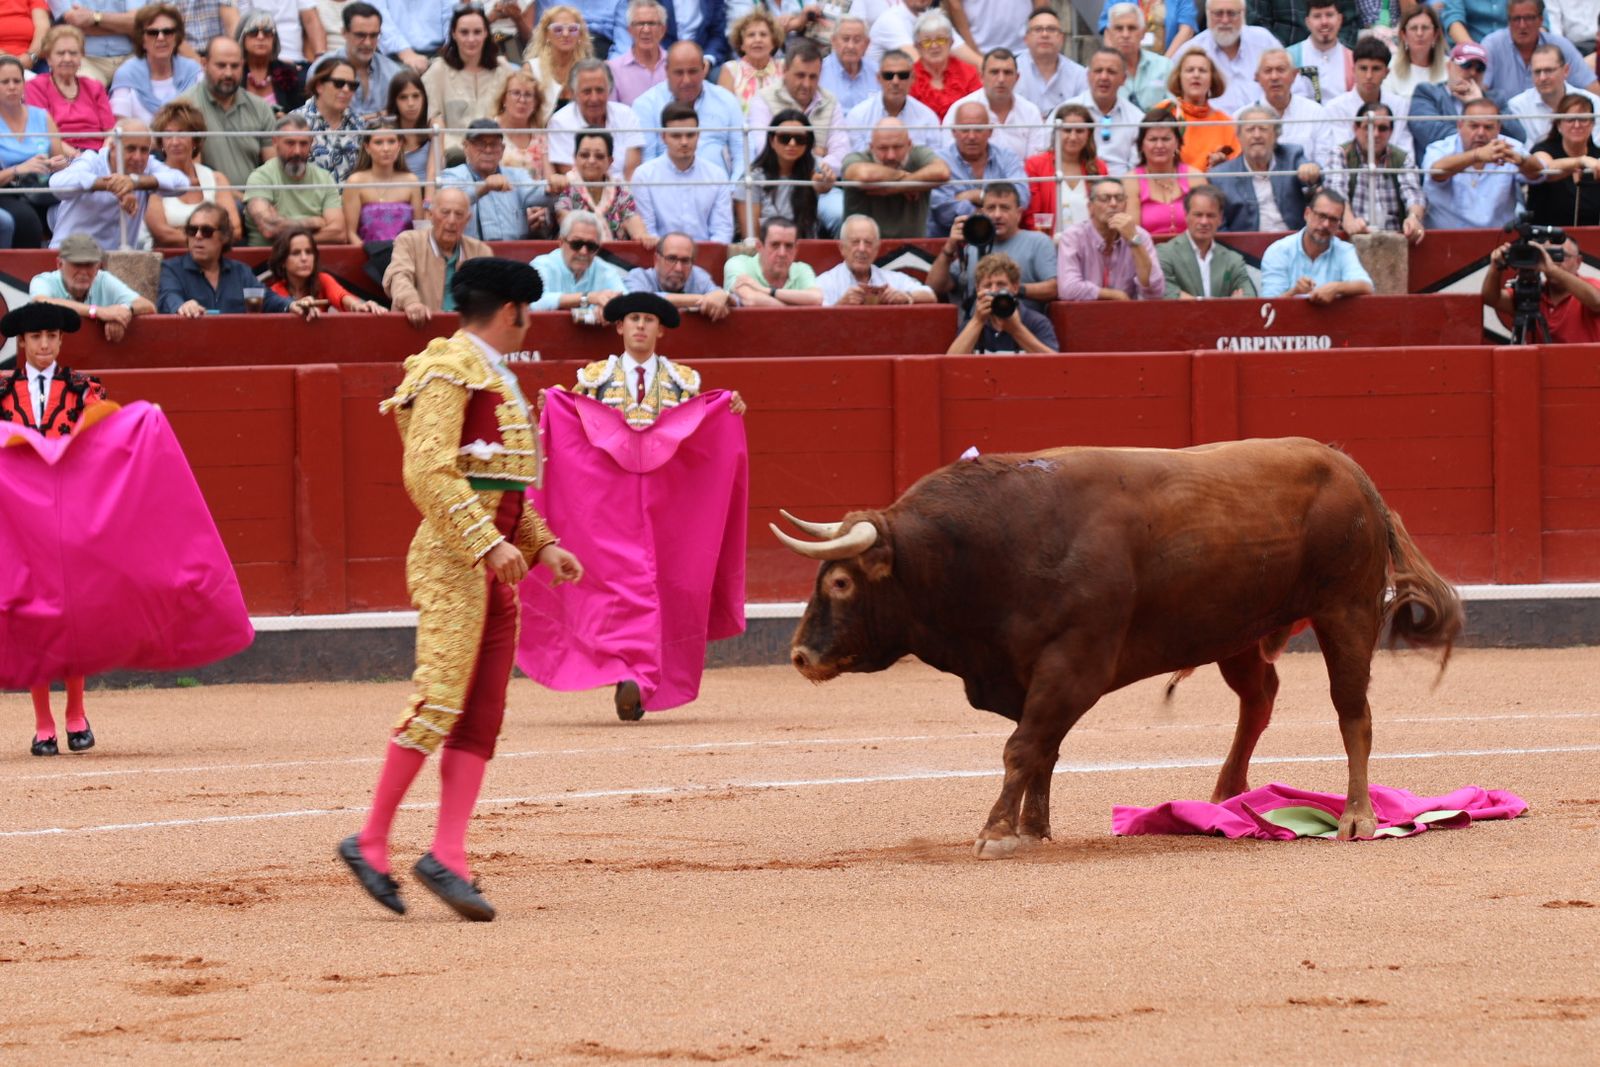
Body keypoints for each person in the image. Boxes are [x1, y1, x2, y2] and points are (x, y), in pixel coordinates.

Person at [339, 257, 583, 921]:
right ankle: (371, 839)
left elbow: (500, 486)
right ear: (511, 311)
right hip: (454, 559)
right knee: (439, 699)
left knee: (481, 712)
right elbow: (427, 472)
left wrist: (542, 543)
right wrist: (488, 542)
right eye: (528, 313)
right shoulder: (447, 368)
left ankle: (449, 851)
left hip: (493, 564)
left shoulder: (492, 374)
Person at [0, 302, 103, 758]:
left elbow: (101, 442)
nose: (44, 344)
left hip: (68, 517)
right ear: (22, 342)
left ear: (61, 342)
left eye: (52, 337)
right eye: (36, 337)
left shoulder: (85, 389)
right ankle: (44, 724)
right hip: (19, 523)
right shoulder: (0, 391)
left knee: (71, 620)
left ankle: (75, 714)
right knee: (33, 622)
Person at [49, 117, 188, 250]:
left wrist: (134, 182)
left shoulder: (148, 165)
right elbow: (57, 184)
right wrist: (110, 185)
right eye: (131, 149)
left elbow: (182, 183)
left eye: (144, 150)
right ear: (113, 147)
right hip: (69, 258)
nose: (138, 157)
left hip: (117, 263)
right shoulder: (92, 160)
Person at [157, 200, 318, 314]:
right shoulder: (171, 269)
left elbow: (267, 298)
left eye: (206, 231)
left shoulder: (240, 272)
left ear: (224, 237)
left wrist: (291, 305)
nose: (198, 236)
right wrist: (182, 306)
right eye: (192, 230)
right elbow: (169, 297)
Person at [926, 181, 1055, 315]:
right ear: (982, 212)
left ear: (1019, 213)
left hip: (1022, 327)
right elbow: (935, 287)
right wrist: (950, 246)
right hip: (976, 329)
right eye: (991, 208)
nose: (997, 215)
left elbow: (1053, 288)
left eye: (1005, 208)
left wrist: (1013, 290)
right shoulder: (973, 246)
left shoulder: (1038, 242)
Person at [1422, 99, 1544, 229]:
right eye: (1474, 126)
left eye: (1488, 127)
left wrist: (1522, 161)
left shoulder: (1508, 146)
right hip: (1446, 240)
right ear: (1460, 125)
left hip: (1499, 241)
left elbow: (1538, 173)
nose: (1480, 133)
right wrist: (1476, 155)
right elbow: (1435, 172)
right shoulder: (1440, 149)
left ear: (1498, 128)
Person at [633, 41, 748, 178]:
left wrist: (732, 190)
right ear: (667, 71)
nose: (686, 80)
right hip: (665, 192)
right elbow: (647, 160)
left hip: (720, 192)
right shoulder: (646, 104)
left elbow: (743, 152)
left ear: (704, 68)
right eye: (679, 73)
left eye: (692, 71)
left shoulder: (726, 100)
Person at [178, 35, 277, 187]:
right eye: (221, 65)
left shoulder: (260, 108)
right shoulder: (184, 108)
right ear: (204, 64)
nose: (229, 73)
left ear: (243, 65)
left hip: (256, 199)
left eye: (235, 66)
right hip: (208, 200)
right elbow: (188, 174)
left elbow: (273, 168)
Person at [383, 187, 492, 325]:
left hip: (466, 331)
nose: (452, 221)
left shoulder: (481, 251)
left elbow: (489, 297)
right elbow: (399, 275)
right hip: (419, 327)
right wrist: (411, 302)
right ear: (430, 215)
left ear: (467, 219)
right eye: (445, 213)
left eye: (459, 214)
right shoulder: (409, 241)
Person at [631, 101, 734, 242]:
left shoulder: (717, 176)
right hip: (660, 259)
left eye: (690, 135)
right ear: (663, 137)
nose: (684, 142)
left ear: (698, 135)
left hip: (707, 258)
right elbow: (648, 233)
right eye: (676, 135)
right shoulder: (644, 176)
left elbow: (722, 231)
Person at [145, 99, 242, 246]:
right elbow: (162, 234)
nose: (175, 142)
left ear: (195, 140)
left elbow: (234, 229)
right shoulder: (152, 180)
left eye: (182, 134)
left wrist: (181, 231)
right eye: (168, 135)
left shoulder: (216, 179)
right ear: (161, 142)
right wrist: (210, 235)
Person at [1207, 104, 1319, 232]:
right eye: (1250, 129)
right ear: (1239, 137)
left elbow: (1313, 175)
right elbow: (1220, 229)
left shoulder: (1292, 157)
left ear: (1276, 135)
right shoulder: (1220, 176)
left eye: (1263, 128)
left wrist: (1311, 171)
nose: (1257, 135)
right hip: (1245, 248)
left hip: (1292, 245)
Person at [424, 4, 518, 153]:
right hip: (455, 155)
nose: (471, 39)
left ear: (486, 33)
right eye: (464, 32)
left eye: (477, 32)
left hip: (498, 154)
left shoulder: (504, 69)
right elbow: (434, 122)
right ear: (454, 34)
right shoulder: (438, 71)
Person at [29, 232, 155, 342]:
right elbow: (41, 302)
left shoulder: (103, 279)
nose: (83, 272)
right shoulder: (44, 281)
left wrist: (123, 311)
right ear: (60, 264)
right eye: (77, 264)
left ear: (98, 266)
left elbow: (148, 306)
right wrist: (98, 312)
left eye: (89, 265)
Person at [1411, 42, 1528, 158]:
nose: (1473, 73)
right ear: (1449, 66)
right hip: (1444, 169)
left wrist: (1480, 103)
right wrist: (1482, 143)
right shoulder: (1427, 93)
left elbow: (1519, 136)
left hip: (1488, 171)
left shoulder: (1496, 99)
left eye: (1479, 68)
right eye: (1466, 66)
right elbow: (1431, 135)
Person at [243, 114, 346, 246]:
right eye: (290, 143)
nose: (297, 151)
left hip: (313, 261)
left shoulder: (324, 178)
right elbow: (269, 228)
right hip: (267, 260)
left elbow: (339, 233)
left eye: (303, 144)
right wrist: (313, 222)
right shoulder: (261, 177)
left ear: (311, 143)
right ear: (275, 142)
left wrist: (287, 231)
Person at [1056, 175, 1165, 300]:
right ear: (1090, 206)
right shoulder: (1073, 236)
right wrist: (1115, 295)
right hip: (1085, 314)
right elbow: (1068, 289)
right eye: (1104, 198)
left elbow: (1155, 291)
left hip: (1129, 315)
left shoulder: (1139, 236)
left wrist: (1134, 242)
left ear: (1125, 205)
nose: (1113, 204)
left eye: (1119, 198)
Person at [0, 53, 69, 250]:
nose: (12, 86)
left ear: (24, 84)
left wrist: (57, 163)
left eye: (16, 81)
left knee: (78, 207)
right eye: (5, 82)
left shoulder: (42, 116)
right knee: (27, 220)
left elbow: (60, 157)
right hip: (7, 191)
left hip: (42, 188)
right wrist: (18, 169)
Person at [840, 116, 951, 237]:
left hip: (913, 249)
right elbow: (864, 174)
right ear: (871, 147)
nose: (890, 156)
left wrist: (897, 187)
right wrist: (904, 177)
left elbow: (943, 172)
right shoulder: (857, 158)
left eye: (897, 147)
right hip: (864, 250)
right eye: (883, 148)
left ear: (909, 144)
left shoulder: (919, 153)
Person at [930, 100, 1027, 235]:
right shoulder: (938, 160)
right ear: (953, 131)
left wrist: (977, 196)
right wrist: (997, 210)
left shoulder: (1007, 157)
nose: (971, 136)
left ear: (990, 131)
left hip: (1001, 240)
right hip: (950, 242)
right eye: (965, 129)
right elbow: (943, 211)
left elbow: (1022, 197)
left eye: (978, 129)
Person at [1259, 187, 1374, 301]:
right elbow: (1269, 307)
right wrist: (1294, 292)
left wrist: (1336, 288)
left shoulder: (1344, 250)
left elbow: (1367, 286)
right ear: (1307, 214)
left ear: (1339, 224)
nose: (1325, 224)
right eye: (1321, 216)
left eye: (1333, 219)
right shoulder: (1278, 251)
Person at [439, 118, 546, 241]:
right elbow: (451, 202)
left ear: (502, 149)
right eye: (480, 144)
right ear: (466, 147)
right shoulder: (452, 175)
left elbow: (536, 193)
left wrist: (552, 188)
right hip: (472, 255)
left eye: (493, 144)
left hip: (514, 252)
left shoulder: (517, 175)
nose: (488, 150)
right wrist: (485, 187)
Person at [1333, 103, 1427, 241]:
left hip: (1394, 240)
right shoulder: (1342, 154)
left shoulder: (1402, 158)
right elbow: (1336, 191)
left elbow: (1414, 195)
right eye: (1368, 127)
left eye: (1382, 128)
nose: (1375, 134)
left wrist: (1413, 218)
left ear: (1391, 132)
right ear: (1356, 128)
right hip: (1349, 240)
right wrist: (1348, 220)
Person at [1481, 234, 1600, 341]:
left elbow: (1597, 301)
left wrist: (1553, 270)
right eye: (1549, 255)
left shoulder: (1589, 285)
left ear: (1578, 262)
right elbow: (1491, 298)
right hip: (1545, 363)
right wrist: (1496, 267)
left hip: (1586, 363)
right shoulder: (1533, 292)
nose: (1554, 262)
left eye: (1560, 255)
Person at [941, 47, 1049, 161]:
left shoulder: (1031, 112)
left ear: (1017, 78)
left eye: (1007, 73)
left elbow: (1036, 163)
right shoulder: (959, 109)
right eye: (994, 72)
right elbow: (950, 159)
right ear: (981, 77)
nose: (1001, 79)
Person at [1321, 36, 1416, 165]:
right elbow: (1341, 154)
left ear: (1386, 72)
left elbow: (1405, 153)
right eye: (1363, 68)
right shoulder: (1335, 108)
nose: (1369, 76)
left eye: (1376, 69)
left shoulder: (1400, 105)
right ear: (1353, 69)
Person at [305, 2, 403, 122]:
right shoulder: (322, 68)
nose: (367, 43)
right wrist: (378, 116)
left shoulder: (394, 73)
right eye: (360, 35)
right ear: (344, 33)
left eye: (373, 36)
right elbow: (318, 119)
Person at [547, 59, 643, 180]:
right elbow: (571, 174)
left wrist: (622, 197)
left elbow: (632, 170)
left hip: (625, 194)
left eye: (600, 90)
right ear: (573, 93)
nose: (594, 98)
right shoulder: (560, 122)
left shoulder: (626, 115)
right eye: (587, 91)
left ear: (609, 90)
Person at [1478, 0, 1595, 100]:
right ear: (1508, 21)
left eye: (1529, 18)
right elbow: (1480, 92)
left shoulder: (1561, 46)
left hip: (1553, 123)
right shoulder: (1492, 45)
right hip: (1504, 123)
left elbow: (1592, 88)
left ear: (1540, 20)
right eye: (1516, 19)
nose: (1522, 25)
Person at [742, 109, 832, 237]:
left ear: (808, 143)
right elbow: (750, 237)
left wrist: (824, 187)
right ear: (772, 141)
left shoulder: (814, 169)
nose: (792, 143)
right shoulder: (752, 178)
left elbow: (825, 182)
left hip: (806, 250)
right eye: (785, 138)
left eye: (800, 139)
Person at [1155, 185, 1256, 298]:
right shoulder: (1165, 253)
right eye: (1198, 215)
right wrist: (1225, 304)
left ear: (1220, 219)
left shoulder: (1232, 259)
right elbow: (1164, 292)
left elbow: (1249, 295)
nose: (1204, 221)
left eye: (1211, 215)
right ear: (1186, 216)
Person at [26, 24, 115, 153]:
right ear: (49, 58)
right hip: (59, 157)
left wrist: (102, 156)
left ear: (81, 57)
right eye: (60, 53)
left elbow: (110, 131)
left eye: (73, 53)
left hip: (97, 154)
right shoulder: (36, 86)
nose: (67, 58)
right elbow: (42, 132)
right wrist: (78, 157)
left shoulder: (95, 86)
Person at [109, 3, 202, 124]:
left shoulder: (194, 72)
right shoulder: (126, 74)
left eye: (167, 32)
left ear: (177, 37)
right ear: (141, 39)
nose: (161, 37)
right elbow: (121, 128)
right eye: (153, 33)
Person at [945, 251, 1057, 353]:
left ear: (1015, 287)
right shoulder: (970, 325)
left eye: (1001, 285)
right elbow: (951, 363)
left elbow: (1056, 367)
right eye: (988, 285)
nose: (994, 291)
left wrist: (1016, 329)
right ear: (978, 289)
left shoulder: (1036, 322)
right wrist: (978, 321)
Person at [1023, 103, 1108, 234]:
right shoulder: (1035, 165)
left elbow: (1105, 212)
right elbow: (1031, 217)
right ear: (1057, 131)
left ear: (1088, 133)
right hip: (1051, 245)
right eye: (1067, 130)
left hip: (1091, 246)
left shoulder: (1099, 167)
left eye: (1079, 131)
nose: (1073, 137)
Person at [552, 129, 651, 242]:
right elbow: (565, 219)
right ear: (575, 158)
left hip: (616, 255)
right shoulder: (565, 184)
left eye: (599, 156)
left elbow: (630, 217)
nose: (591, 160)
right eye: (584, 155)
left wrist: (642, 235)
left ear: (610, 161)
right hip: (579, 250)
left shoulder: (619, 188)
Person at [815, 213, 937, 305]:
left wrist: (906, 296)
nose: (862, 248)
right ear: (842, 248)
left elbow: (930, 295)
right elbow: (814, 322)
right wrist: (840, 305)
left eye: (868, 243)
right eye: (855, 242)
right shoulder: (825, 282)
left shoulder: (892, 279)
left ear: (877, 249)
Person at [1123, 106, 1205, 237]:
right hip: (1146, 253)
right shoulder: (1132, 181)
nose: (1159, 146)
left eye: (1166, 139)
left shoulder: (1195, 177)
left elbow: (1204, 227)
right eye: (1153, 139)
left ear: (1177, 142)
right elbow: (1133, 235)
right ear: (1141, 145)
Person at [1251, 47, 1336, 173]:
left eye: (1281, 70)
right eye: (1268, 71)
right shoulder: (1242, 117)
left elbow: (1326, 163)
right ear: (1257, 77)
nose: (1274, 77)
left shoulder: (1316, 113)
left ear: (1294, 75)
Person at [1186, 0, 1278, 114]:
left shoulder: (1264, 41)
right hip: (1213, 128)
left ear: (1242, 14)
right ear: (1208, 14)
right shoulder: (1191, 51)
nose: (1225, 20)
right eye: (1219, 13)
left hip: (1261, 126)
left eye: (1231, 13)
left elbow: (1294, 87)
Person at [844, 48, 941, 153]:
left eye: (903, 75)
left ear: (913, 78)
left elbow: (936, 161)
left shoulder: (928, 118)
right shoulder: (858, 116)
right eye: (888, 76)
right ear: (878, 78)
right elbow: (855, 163)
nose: (895, 81)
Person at [1065, 47, 1145, 175]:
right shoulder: (1066, 111)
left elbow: (1137, 167)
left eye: (1111, 72)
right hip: (1077, 183)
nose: (1104, 77)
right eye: (1098, 71)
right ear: (1088, 75)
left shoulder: (1136, 118)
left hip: (1122, 189)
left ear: (1123, 79)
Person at [530, 209, 628, 313]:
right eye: (576, 244)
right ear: (561, 242)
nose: (583, 252)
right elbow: (533, 301)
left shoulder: (605, 271)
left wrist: (609, 309)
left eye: (591, 246)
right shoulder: (543, 265)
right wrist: (588, 298)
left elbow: (627, 303)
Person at [265, 225, 383, 311]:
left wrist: (357, 306)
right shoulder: (274, 291)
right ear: (282, 261)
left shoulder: (322, 279)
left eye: (309, 252)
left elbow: (340, 296)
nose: (304, 258)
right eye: (296, 253)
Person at [342, 120, 423, 243]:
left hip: (405, 257)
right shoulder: (355, 182)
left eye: (391, 141)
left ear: (399, 145)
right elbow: (350, 233)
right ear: (367, 147)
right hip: (369, 256)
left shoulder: (411, 181)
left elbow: (419, 231)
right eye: (378, 142)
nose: (386, 148)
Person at [1527, 92, 1600, 225]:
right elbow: (1544, 168)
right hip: (1548, 238)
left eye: (1583, 119)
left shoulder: (1598, 155)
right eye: (1570, 119)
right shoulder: (1543, 149)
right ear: (1559, 125)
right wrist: (1581, 161)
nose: (1577, 125)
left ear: (1592, 124)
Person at [1161, 48, 1239, 171]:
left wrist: (1223, 165)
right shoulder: (1164, 111)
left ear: (1212, 79)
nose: (1196, 75)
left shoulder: (1226, 123)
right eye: (1189, 70)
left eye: (1202, 70)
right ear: (1179, 77)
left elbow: (1238, 169)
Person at [625, 229, 733, 317]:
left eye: (685, 261)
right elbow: (640, 299)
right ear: (656, 259)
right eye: (671, 259)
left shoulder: (698, 276)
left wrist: (724, 295)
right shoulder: (638, 277)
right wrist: (702, 299)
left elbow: (721, 297)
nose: (678, 268)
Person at [291, 57, 366, 180]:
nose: (346, 89)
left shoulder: (359, 124)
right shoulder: (295, 121)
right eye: (339, 84)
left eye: (352, 85)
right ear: (319, 86)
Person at [1508, 43, 1600, 144]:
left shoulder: (1593, 102)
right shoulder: (1517, 106)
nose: (1542, 78)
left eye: (1549, 70)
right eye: (1537, 72)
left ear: (1565, 71)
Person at [723, 212, 822, 304]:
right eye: (775, 245)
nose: (782, 253)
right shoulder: (738, 264)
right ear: (759, 247)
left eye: (788, 246)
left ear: (796, 249)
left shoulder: (802, 269)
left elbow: (817, 298)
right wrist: (795, 310)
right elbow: (751, 300)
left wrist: (767, 291)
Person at [524, 4, 591, 125]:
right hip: (540, 138)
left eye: (572, 29)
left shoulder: (588, 70)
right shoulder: (531, 70)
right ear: (547, 35)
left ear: (580, 35)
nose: (565, 34)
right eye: (558, 29)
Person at [909, 9, 980, 120]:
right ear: (917, 46)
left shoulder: (968, 73)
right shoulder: (908, 77)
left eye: (941, 39)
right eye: (927, 42)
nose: (934, 46)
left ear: (951, 42)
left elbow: (979, 109)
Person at [1014, 7, 1085, 117]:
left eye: (1051, 29)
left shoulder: (1079, 74)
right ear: (1026, 39)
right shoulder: (1011, 70)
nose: (1045, 35)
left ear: (1062, 38)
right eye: (1038, 29)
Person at [1102, 3, 1172, 112]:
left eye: (1132, 28)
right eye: (1119, 28)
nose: (1125, 35)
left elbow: (1176, 110)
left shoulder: (1165, 67)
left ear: (1143, 33)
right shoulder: (1098, 72)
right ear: (1109, 34)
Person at [235, 8, 304, 117]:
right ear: (242, 38)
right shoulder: (232, 73)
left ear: (274, 39)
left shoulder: (289, 73)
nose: (261, 37)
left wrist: (285, 119)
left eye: (267, 32)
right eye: (253, 32)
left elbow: (299, 116)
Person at [219, 0, 324, 66]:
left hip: (295, 60)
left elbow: (311, 20)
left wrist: (320, 60)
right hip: (254, 62)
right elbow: (235, 29)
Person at [1285, 0, 1352, 102]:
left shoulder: (1352, 60)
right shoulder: (1288, 57)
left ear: (1339, 19)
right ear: (1307, 22)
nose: (1324, 22)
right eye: (1317, 16)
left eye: (1329, 15)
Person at [717, 7, 783, 108]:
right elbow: (724, 111)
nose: (757, 39)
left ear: (773, 42)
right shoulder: (730, 70)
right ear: (741, 44)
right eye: (751, 35)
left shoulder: (784, 67)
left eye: (763, 34)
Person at [388, 69, 441, 187]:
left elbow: (433, 172)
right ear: (394, 101)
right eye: (403, 97)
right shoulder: (386, 130)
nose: (411, 103)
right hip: (395, 196)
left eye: (416, 96)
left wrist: (427, 203)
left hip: (428, 194)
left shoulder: (435, 125)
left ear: (424, 98)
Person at [609, 0, 668, 106]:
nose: (646, 30)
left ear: (663, 30)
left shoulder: (675, 65)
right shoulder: (613, 69)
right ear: (629, 30)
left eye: (652, 23)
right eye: (640, 24)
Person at [1097, 0, 1198, 60]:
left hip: (1169, 59)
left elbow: (1186, 30)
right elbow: (1109, 31)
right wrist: (1117, 62)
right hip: (1125, 62)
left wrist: (1165, 64)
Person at [1386, 5, 1450, 100]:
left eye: (1425, 28)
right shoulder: (1391, 66)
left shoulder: (1449, 67)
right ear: (1404, 35)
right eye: (1413, 28)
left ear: (1435, 34)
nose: (1419, 33)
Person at [492, 70, 548, 175]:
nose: (522, 100)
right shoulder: (489, 130)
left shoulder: (540, 136)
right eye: (516, 93)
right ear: (504, 98)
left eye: (528, 95)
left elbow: (549, 178)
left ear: (536, 103)